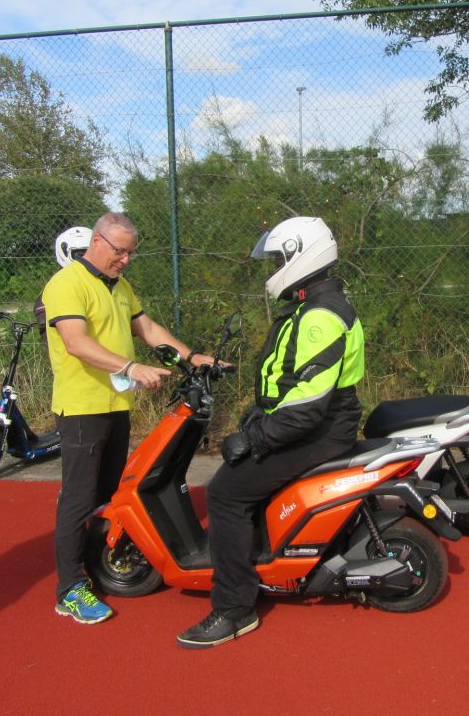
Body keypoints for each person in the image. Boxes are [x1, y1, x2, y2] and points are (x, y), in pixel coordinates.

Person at [176, 216, 365, 649]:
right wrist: (256, 415)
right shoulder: (313, 303)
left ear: (301, 255)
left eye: (279, 258)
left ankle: (234, 609)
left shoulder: (319, 315)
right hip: (318, 422)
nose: (273, 266)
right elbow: (292, 385)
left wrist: (256, 438)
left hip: (319, 429)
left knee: (225, 494)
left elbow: (306, 410)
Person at [43, 212, 215, 624]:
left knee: (108, 495)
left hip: (115, 407)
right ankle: (69, 589)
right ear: (97, 241)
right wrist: (130, 368)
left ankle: (98, 565)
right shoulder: (66, 283)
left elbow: (148, 328)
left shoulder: (119, 286)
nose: (125, 260)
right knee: (79, 498)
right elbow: (76, 343)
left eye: (130, 254)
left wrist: (194, 358)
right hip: (83, 408)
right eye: (120, 251)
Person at [34, 226, 92, 346]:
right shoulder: (58, 287)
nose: (87, 260)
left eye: (91, 254)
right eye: (81, 255)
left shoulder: (103, 282)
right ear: (65, 252)